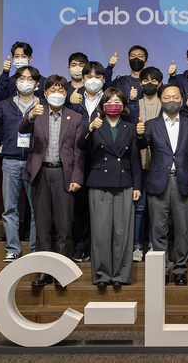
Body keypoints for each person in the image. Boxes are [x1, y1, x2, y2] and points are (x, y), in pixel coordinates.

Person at [19, 75, 84, 287]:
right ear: (45, 94)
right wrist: (30, 116)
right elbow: (21, 129)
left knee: (64, 227)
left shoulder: (75, 117)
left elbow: (78, 152)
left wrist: (76, 177)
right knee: (42, 226)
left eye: (61, 90)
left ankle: (62, 272)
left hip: (63, 175)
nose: (57, 94)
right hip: (40, 173)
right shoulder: (37, 113)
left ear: (66, 93)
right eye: (53, 90)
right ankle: (44, 272)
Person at [136, 83, 188, 286]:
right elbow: (142, 144)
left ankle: (180, 271)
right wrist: (140, 134)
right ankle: (162, 271)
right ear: (161, 100)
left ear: (181, 100)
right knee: (158, 231)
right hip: (158, 183)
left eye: (175, 97)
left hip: (183, 182)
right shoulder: (151, 124)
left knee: (183, 231)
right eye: (167, 97)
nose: (171, 101)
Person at [77, 88, 142, 286]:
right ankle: (102, 275)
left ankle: (121, 275)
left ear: (124, 106)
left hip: (125, 182)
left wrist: (137, 186)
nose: (113, 105)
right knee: (100, 231)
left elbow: (135, 159)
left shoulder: (130, 127)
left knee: (123, 232)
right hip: (99, 182)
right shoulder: (95, 124)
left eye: (117, 102)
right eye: (109, 102)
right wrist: (90, 129)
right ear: (102, 106)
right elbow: (80, 146)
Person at [0, 65, 40, 263]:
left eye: (30, 79)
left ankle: (34, 249)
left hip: (35, 161)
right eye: (22, 78)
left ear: (36, 84)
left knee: (36, 209)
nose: (25, 82)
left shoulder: (42, 105)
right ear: (16, 82)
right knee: (10, 209)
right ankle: (13, 249)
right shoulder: (5, 104)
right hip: (11, 161)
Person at [68, 61, 111, 263]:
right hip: (78, 160)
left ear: (104, 79)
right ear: (83, 78)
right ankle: (82, 246)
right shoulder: (73, 99)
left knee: (103, 208)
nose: (93, 80)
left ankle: (103, 248)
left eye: (97, 77)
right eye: (89, 76)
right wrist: (69, 103)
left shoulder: (110, 99)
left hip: (103, 160)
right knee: (81, 207)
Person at [129, 67, 163, 262]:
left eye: (154, 80)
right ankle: (136, 246)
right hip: (138, 162)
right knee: (139, 207)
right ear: (140, 83)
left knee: (155, 208)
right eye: (145, 80)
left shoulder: (165, 104)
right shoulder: (134, 104)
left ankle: (152, 245)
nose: (149, 83)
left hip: (159, 163)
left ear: (160, 83)